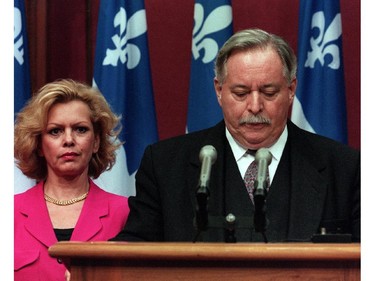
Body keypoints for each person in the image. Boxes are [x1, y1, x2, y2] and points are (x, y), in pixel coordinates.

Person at [111, 28, 360, 243]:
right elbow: (135, 251)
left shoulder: (345, 167)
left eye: (269, 92)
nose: (254, 106)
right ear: (219, 91)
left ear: (291, 89)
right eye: (240, 93)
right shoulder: (165, 166)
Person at [14, 79, 130, 281]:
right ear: (39, 145)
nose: (68, 140)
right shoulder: (9, 212)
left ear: (95, 142)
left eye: (80, 129)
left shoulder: (125, 212)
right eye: (55, 131)